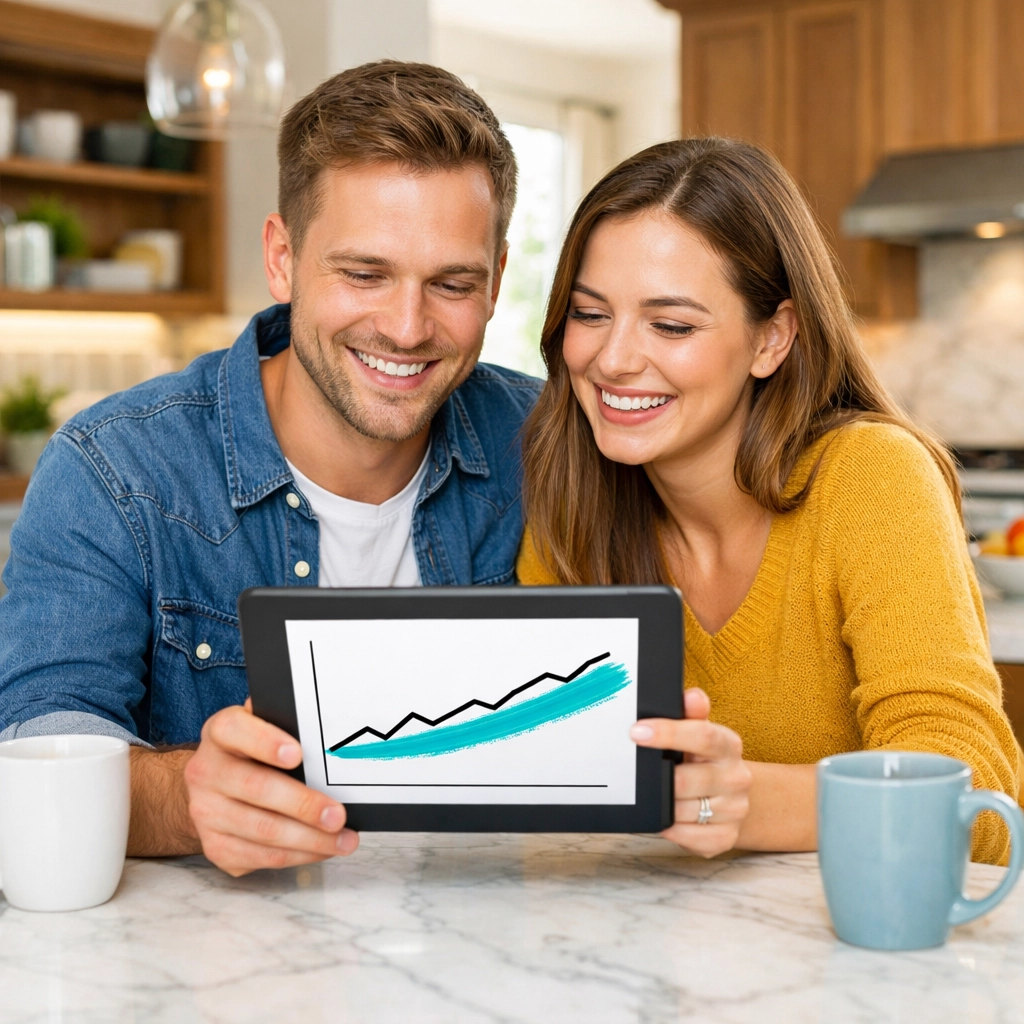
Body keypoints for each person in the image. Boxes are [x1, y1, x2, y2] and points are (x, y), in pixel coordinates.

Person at [0, 62, 541, 876]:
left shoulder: (548, 445)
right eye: (363, 273)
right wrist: (190, 795)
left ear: (497, 280)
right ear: (282, 259)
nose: (406, 326)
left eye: (453, 283)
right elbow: (37, 746)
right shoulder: (114, 467)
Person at [517, 136, 1022, 865]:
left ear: (772, 339)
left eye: (672, 325)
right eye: (590, 314)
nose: (614, 358)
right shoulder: (571, 503)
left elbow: (976, 804)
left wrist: (745, 799)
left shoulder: (872, 477)